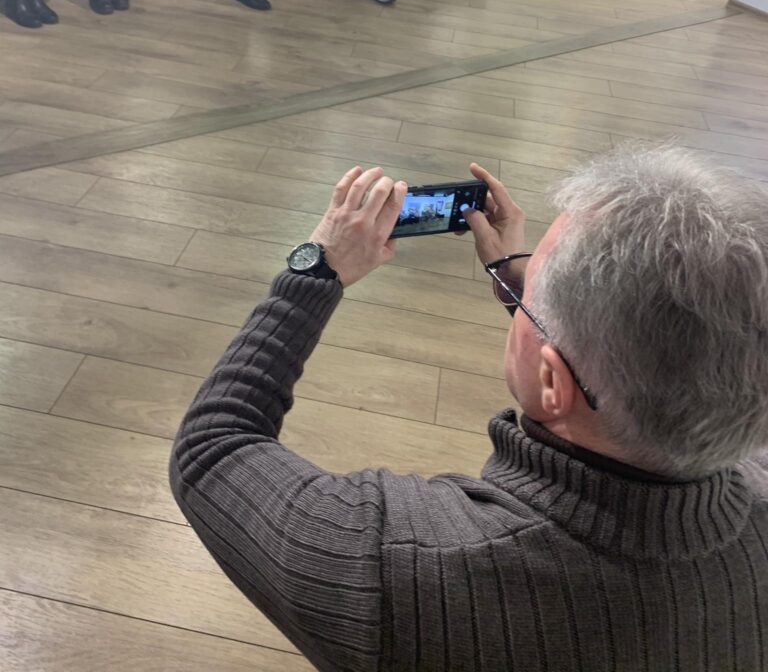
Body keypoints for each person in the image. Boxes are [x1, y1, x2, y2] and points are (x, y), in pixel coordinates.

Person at [170, 144, 768, 671]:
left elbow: (213, 448)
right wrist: (524, 289)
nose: (522, 282)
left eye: (531, 292)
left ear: (552, 381)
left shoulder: (393, 568)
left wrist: (317, 269)